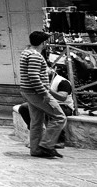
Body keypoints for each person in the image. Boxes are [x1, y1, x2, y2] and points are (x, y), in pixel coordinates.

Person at [19, 31, 67, 159]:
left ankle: (36, 149)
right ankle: (46, 145)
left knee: (36, 121)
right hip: (37, 92)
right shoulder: (35, 55)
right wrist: (45, 93)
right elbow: (33, 77)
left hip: (28, 91)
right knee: (59, 117)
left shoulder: (26, 52)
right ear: (43, 42)